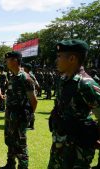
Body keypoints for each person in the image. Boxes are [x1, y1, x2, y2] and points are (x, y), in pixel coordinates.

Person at [48, 39, 100, 169]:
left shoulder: (86, 84)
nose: (56, 60)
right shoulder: (64, 79)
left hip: (78, 149)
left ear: (72, 59)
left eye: (59, 56)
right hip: (59, 144)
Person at [0, 51, 37, 169]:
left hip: (20, 116)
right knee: (10, 140)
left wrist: (26, 118)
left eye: (8, 60)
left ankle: (22, 166)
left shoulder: (25, 77)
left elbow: (34, 101)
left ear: (15, 61)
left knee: (20, 144)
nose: (6, 62)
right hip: (10, 114)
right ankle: (10, 164)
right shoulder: (13, 76)